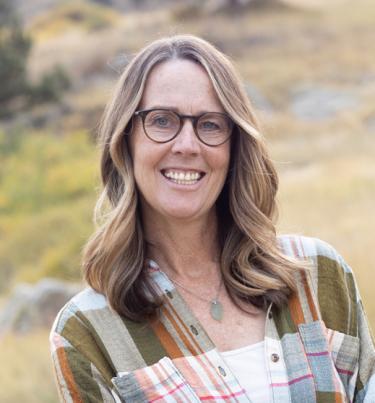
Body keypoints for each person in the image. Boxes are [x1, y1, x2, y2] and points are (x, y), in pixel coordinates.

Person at [50, 34, 375, 402]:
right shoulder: (88, 331)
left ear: (235, 146)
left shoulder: (316, 274)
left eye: (210, 125)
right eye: (161, 120)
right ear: (125, 141)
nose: (187, 145)